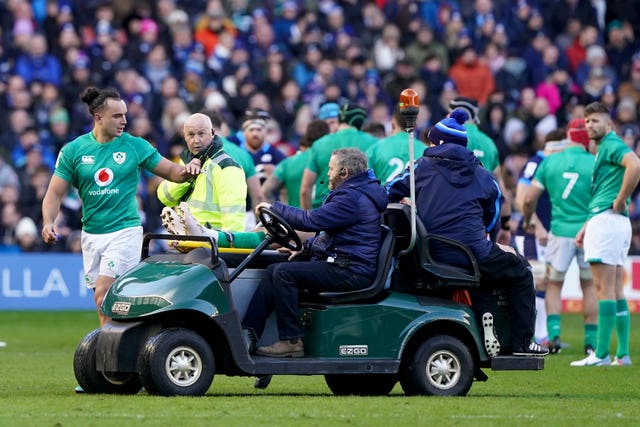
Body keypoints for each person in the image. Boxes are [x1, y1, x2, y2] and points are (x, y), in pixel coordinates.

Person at [387, 109, 548, 356]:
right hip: (472, 252)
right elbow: (492, 217)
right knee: (520, 271)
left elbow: (388, 190)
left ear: (436, 142)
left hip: (427, 254)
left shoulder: (419, 168)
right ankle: (522, 342)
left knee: (470, 272)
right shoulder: (484, 175)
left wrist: (407, 201)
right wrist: (491, 242)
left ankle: (480, 317)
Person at [41, 87, 201, 327]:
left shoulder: (135, 146)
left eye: (125, 115)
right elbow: (54, 193)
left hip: (125, 231)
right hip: (92, 234)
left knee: (104, 294)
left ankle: (110, 355)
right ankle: (121, 349)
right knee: (104, 302)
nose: (124, 121)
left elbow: (173, 172)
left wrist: (190, 168)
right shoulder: (73, 150)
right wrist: (48, 221)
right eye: (117, 116)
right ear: (98, 117)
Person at [243, 148, 388, 357]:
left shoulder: (351, 198)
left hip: (352, 270)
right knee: (275, 268)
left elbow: (313, 220)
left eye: (330, 169)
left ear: (344, 172)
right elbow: (332, 234)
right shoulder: (356, 193)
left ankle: (291, 341)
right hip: (344, 263)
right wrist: (306, 247)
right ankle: (247, 333)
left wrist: (276, 208)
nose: (327, 174)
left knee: (283, 273)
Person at [571, 102, 640, 367]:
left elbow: (634, 163)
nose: (590, 126)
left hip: (608, 219)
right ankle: (621, 354)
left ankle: (600, 354)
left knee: (603, 289)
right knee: (614, 290)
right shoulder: (603, 148)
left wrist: (622, 199)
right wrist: (587, 224)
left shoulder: (611, 144)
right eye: (587, 121)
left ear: (608, 124)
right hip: (612, 222)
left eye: (595, 121)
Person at [522, 119, 598, 355]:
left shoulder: (550, 162)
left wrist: (528, 220)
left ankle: (553, 337)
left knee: (554, 284)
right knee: (589, 286)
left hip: (560, 231)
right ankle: (591, 344)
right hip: (588, 231)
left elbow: (527, 198)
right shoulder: (595, 163)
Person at [513, 128, 568, 346]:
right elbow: (521, 198)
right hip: (532, 234)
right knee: (536, 281)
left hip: (548, 233)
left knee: (546, 283)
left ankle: (543, 335)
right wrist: (536, 225)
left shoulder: (551, 164)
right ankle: (534, 335)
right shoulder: (536, 163)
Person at [158, 112, 247, 233]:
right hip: (187, 239)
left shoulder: (227, 166)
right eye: (191, 135)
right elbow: (165, 197)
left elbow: (234, 220)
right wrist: (187, 176)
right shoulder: (187, 160)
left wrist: (227, 246)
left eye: (201, 134)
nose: (196, 140)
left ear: (213, 133)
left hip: (212, 243)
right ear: (184, 136)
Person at [300, 102, 378, 209]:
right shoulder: (374, 143)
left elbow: (305, 189)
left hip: (323, 212)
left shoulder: (319, 144)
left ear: (340, 119)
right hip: (359, 211)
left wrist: (308, 218)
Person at [262, 119, 330, 207]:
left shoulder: (287, 163)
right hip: (323, 216)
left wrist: (276, 213)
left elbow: (266, 190)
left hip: (292, 218)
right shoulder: (330, 162)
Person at [366, 105, 427, 184]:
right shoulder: (426, 151)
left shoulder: (375, 149)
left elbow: (367, 182)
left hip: (383, 196)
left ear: (392, 123)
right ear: (415, 125)